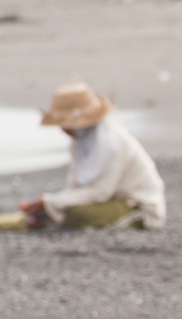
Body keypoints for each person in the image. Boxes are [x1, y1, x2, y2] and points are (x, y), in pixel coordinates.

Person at [15, 82, 166, 231]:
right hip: (108, 200)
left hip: (136, 205)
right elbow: (75, 188)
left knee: (76, 215)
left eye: (64, 122)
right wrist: (50, 206)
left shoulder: (110, 143)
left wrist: (49, 203)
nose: (62, 128)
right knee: (62, 212)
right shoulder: (80, 143)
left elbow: (100, 193)